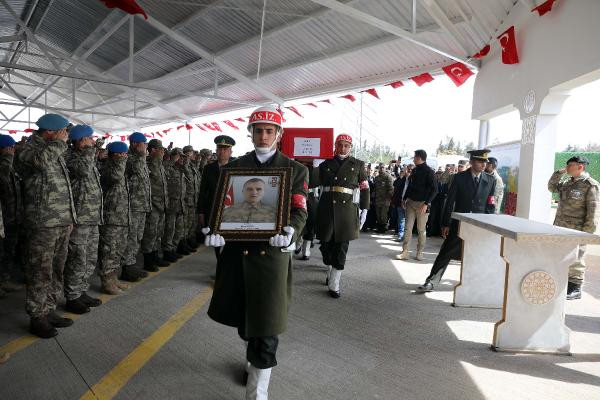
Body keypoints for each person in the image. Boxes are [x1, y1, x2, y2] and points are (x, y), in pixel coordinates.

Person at [203, 105, 308, 400]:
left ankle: (257, 394)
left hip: (271, 258)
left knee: (267, 326)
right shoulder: (235, 168)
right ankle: (252, 363)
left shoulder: (295, 169)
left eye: (269, 130)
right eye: (258, 130)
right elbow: (222, 207)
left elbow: (299, 210)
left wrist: (291, 234)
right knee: (247, 322)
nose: (264, 135)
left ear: (279, 134)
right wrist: (215, 232)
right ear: (250, 134)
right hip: (238, 254)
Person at [17, 113, 77, 338]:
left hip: (60, 222)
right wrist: (59, 144)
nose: (66, 135)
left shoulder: (56, 150)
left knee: (56, 269)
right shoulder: (28, 150)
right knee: (40, 271)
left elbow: (64, 188)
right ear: (51, 131)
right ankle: (37, 316)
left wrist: (69, 218)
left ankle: (49, 309)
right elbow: (41, 163)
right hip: (42, 222)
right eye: (63, 130)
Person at [416, 149, 496, 293]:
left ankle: (476, 285)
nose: (483, 164)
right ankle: (431, 281)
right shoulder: (459, 178)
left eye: (485, 162)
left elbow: (490, 205)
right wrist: (446, 223)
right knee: (446, 252)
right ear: (471, 162)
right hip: (459, 223)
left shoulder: (490, 180)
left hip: (478, 226)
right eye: (480, 161)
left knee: (478, 255)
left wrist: (488, 225)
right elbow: (450, 201)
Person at [316, 134, 370, 298]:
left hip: (347, 210)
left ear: (350, 147)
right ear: (335, 146)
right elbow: (313, 183)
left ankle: (334, 283)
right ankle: (329, 266)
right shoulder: (325, 164)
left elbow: (365, 187)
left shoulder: (358, 164)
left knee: (341, 247)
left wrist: (364, 209)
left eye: (346, 145)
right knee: (325, 244)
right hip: (326, 207)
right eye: (340, 145)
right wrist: (313, 166)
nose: (343, 148)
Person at [64, 125, 104, 314]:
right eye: (89, 138)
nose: (93, 141)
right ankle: (72, 296)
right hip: (79, 217)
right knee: (77, 258)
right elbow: (83, 172)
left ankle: (81, 291)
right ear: (81, 140)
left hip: (92, 217)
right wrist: (89, 151)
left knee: (89, 257)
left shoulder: (87, 157)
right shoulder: (71, 157)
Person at [548, 156, 600, 300]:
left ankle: (575, 288)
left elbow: (593, 212)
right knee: (561, 255)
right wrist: (559, 172)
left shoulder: (590, 185)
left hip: (577, 230)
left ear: (580, 167)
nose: (567, 167)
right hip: (560, 227)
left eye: (570, 165)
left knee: (577, 258)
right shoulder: (567, 183)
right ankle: (564, 283)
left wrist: (586, 234)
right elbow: (551, 187)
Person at [98, 141, 131, 295]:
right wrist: (121, 161)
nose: (125, 156)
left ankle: (114, 278)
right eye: (123, 154)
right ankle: (106, 281)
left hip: (121, 216)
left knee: (118, 249)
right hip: (111, 216)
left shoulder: (120, 166)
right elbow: (116, 177)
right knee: (109, 250)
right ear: (116, 155)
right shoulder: (108, 166)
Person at [198, 135, 235, 260]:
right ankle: (220, 267)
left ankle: (228, 269)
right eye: (219, 149)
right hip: (213, 210)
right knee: (216, 241)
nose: (222, 152)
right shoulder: (209, 169)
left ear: (231, 151)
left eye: (225, 149)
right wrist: (201, 212)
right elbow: (203, 192)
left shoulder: (236, 167)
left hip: (233, 210)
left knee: (231, 242)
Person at [122, 132, 151, 282]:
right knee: (131, 237)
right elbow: (136, 170)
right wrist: (141, 155)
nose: (145, 147)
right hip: (133, 205)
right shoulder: (130, 158)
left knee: (137, 237)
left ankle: (132, 263)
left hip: (141, 205)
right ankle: (127, 267)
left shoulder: (141, 159)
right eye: (143, 144)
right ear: (135, 144)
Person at [398, 150, 437, 261]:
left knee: (421, 230)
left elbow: (435, 190)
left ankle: (419, 252)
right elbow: (410, 187)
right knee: (407, 228)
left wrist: (426, 203)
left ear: (419, 158)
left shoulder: (430, 172)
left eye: (414, 157)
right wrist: (405, 198)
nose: (413, 159)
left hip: (422, 204)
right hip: (411, 202)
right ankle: (405, 251)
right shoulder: (414, 171)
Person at [141, 139, 170, 270]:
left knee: (158, 233)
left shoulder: (160, 165)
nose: (163, 151)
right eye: (161, 149)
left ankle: (155, 256)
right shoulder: (148, 164)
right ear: (153, 150)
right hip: (153, 205)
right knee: (150, 233)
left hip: (161, 205)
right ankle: (148, 260)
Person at [0, 134, 23, 296]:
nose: (13, 151)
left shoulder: (11, 165)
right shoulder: (5, 165)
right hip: (2, 218)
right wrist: (7, 159)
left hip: (13, 216)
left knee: (9, 251)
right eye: (10, 148)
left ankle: (4, 280)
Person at [163, 148, 187, 260]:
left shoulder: (180, 169)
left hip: (180, 204)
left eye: (182, 157)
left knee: (178, 229)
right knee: (170, 229)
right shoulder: (168, 167)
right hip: (171, 205)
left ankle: (173, 248)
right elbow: (165, 169)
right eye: (179, 156)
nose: (181, 158)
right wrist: (173, 159)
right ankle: (167, 250)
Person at [182, 145, 199, 252]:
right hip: (187, 199)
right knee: (186, 223)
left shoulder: (193, 166)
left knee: (192, 222)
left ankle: (189, 240)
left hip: (193, 198)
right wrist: (186, 160)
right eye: (190, 153)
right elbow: (186, 173)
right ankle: (183, 243)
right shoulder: (185, 165)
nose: (192, 155)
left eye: (191, 153)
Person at [391, 164, 411, 241]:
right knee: (401, 220)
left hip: (409, 204)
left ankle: (406, 236)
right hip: (400, 203)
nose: (407, 171)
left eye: (409, 170)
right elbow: (396, 187)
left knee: (408, 221)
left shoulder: (414, 180)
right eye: (406, 170)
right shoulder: (402, 180)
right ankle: (400, 235)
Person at [373, 163, 394, 233]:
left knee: (383, 215)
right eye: (380, 167)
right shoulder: (376, 178)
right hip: (378, 199)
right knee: (378, 215)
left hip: (385, 200)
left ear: (385, 168)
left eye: (383, 167)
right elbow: (375, 189)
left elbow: (391, 189)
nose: (381, 169)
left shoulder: (388, 177)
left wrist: (388, 199)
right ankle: (379, 228)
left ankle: (383, 228)